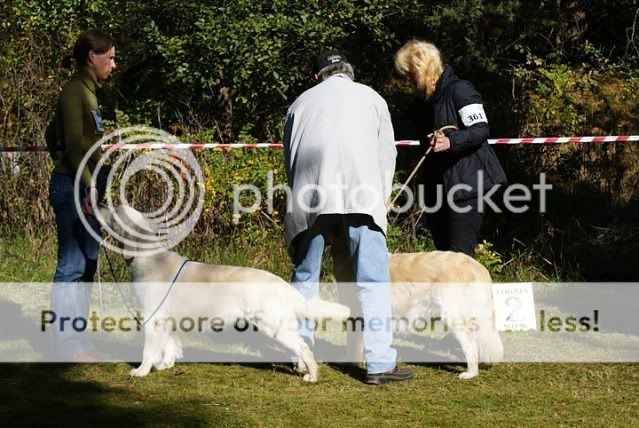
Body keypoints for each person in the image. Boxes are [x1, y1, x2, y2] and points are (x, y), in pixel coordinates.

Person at [283, 50, 413, 384]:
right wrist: (382, 196)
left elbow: (290, 158)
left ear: (317, 76)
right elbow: (387, 154)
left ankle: (300, 355)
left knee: (305, 276)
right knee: (373, 279)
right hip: (363, 195)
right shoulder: (372, 98)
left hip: (311, 195)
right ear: (349, 72)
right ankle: (379, 362)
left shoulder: (299, 104)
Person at [394, 40, 507, 256]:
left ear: (422, 68)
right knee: (443, 257)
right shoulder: (423, 102)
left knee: (458, 258)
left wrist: (451, 141)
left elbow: (481, 129)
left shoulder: (460, 89)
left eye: (409, 74)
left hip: (466, 187)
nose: (407, 80)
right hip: (437, 191)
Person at [47, 29, 116, 361]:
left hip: (85, 186)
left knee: (88, 264)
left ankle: (79, 340)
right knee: (72, 266)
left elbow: (52, 132)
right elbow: (75, 146)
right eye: (110, 58)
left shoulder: (88, 93)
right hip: (74, 186)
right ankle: (65, 344)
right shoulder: (76, 91)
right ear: (92, 56)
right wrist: (88, 183)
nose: (114, 64)